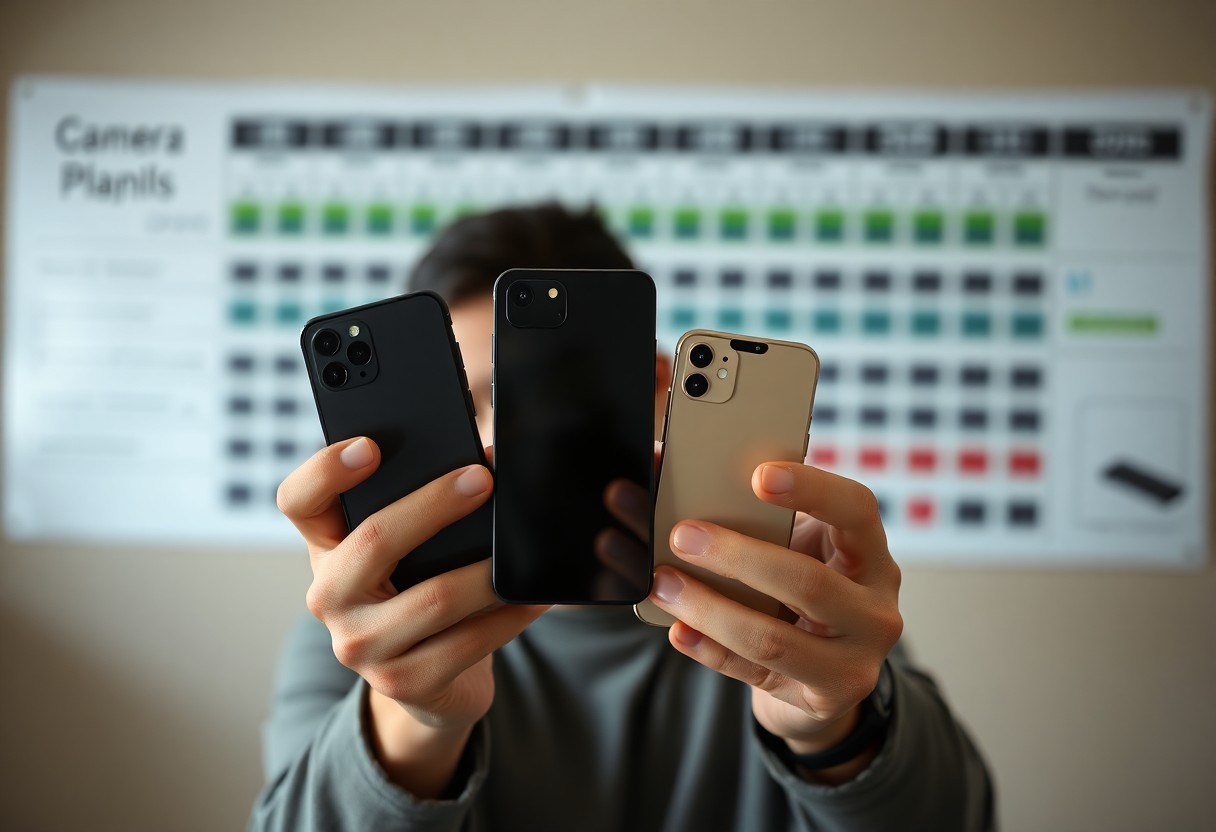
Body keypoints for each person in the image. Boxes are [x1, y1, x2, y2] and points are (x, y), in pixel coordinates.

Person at [250, 204, 995, 831]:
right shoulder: (380, 625)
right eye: (471, 403)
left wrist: (831, 728)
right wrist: (415, 722)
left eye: (545, 391)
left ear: (660, 385)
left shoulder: (790, 597)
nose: (508, 437)